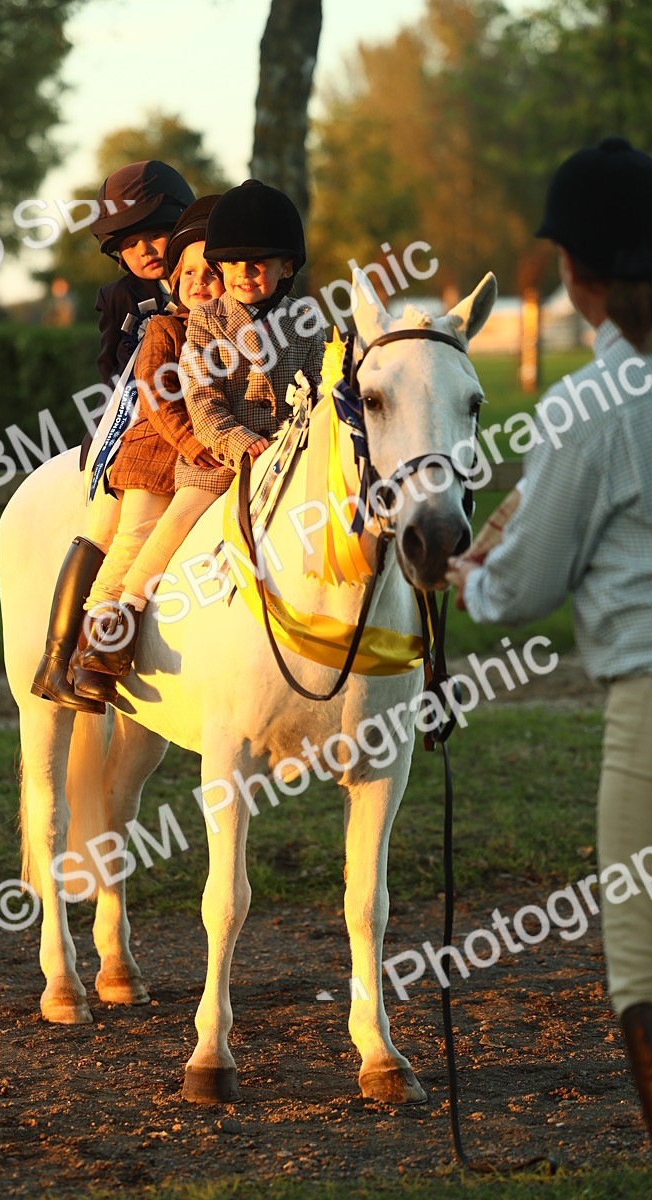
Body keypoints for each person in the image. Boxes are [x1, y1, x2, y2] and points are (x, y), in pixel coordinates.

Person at [446, 136, 652, 1143]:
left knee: (641, 966)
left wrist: (465, 578)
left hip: (646, 711)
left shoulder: (587, 405)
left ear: (575, 272)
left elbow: (525, 584)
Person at [77, 178, 327, 680]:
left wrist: (295, 440)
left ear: (287, 267)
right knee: (165, 529)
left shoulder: (308, 323)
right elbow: (202, 399)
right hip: (216, 461)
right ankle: (117, 620)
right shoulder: (207, 321)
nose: (246, 273)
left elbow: (319, 393)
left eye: (261, 261)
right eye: (234, 263)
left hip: (285, 458)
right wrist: (238, 442)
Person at [32, 160, 194, 713]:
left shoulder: (208, 281)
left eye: (156, 234)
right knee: (106, 529)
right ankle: (58, 660)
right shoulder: (120, 298)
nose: (146, 249)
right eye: (130, 243)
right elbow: (114, 367)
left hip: (208, 427)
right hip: (132, 427)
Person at [68, 194, 225, 702]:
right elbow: (154, 395)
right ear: (174, 284)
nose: (199, 286)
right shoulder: (165, 327)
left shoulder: (239, 331)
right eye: (188, 277)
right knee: (131, 540)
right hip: (156, 453)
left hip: (217, 455)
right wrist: (187, 440)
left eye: (210, 275)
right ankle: (94, 650)